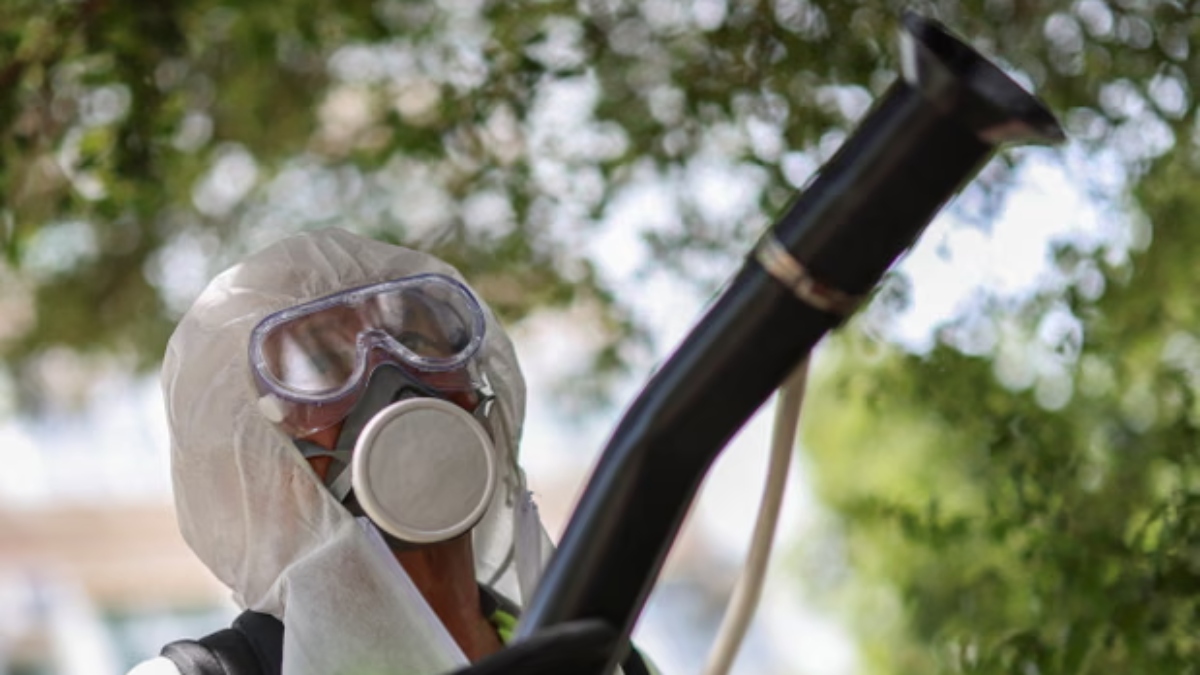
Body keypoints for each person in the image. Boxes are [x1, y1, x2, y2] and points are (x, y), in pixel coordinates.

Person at [129, 229, 653, 675]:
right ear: (264, 470)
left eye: (420, 343)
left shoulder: (602, 660)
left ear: (479, 396)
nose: (398, 383)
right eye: (320, 366)